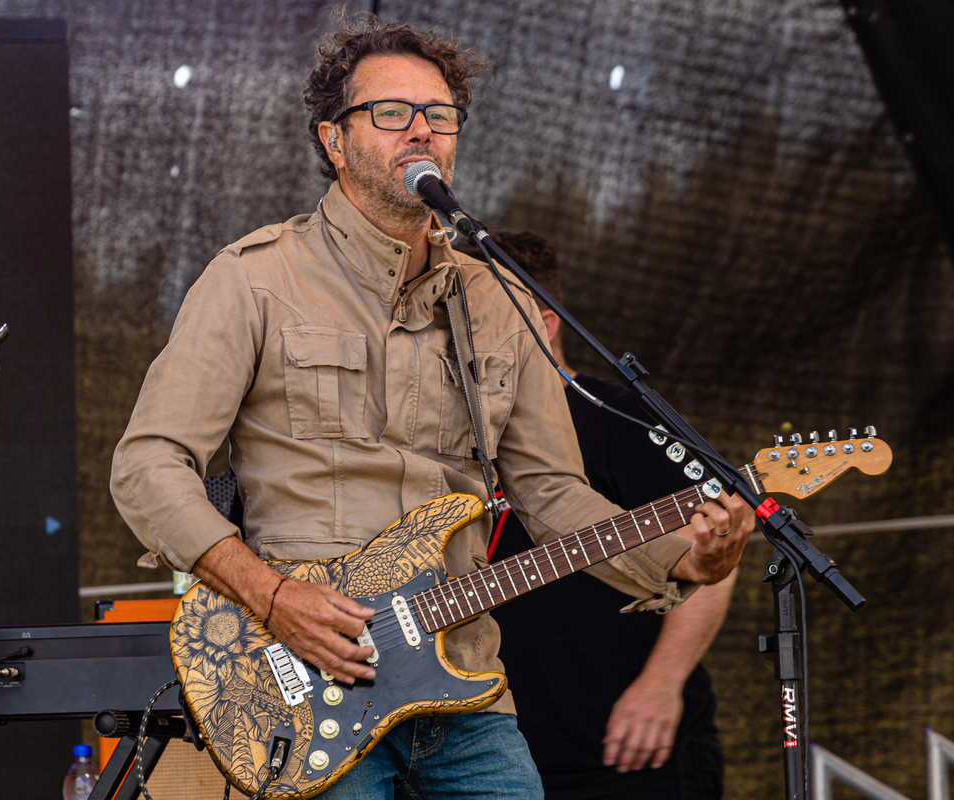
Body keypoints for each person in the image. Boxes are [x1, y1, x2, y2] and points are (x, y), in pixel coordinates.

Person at [111, 13, 754, 799]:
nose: (420, 129)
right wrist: (273, 597)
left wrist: (684, 560)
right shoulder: (254, 279)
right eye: (391, 112)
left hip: (466, 682)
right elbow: (148, 465)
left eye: (439, 115)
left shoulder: (495, 296)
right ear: (333, 139)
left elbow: (551, 492)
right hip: (309, 678)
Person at [455, 231, 734, 798]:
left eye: (482, 319)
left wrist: (661, 684)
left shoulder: (621, 418)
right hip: (496, 754)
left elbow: (710, 556)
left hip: (626, 753)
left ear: (545, 324)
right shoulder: (451, 434)